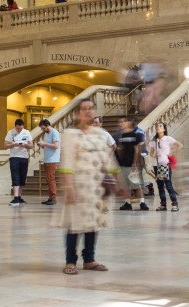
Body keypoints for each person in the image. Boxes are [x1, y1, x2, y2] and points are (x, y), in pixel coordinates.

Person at [54, 99, 116, 275]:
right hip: (77, 185)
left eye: (91, 109)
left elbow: (106, 158)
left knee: (93, 223)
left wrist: (114, 179)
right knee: (74, 225)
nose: (88, 112)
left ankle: (89, 259)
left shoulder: (100, 134)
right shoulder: (70, 134)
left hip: (95, 187)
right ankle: (70, 261)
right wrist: (69, 186)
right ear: (77, 113)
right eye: (84, 109)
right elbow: (66, 161)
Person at [115, 117, 148, 211]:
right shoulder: (121, 135)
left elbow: (136, 149)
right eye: (120, 122)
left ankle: (142, 202)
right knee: (126, 185)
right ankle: (127, 203)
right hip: (123, 163)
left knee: (136, 184)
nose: (121, 124)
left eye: (123, 122)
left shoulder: (134, 134)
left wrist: (135, 162)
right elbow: (120, 149)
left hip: (132, 163)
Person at [149, 122, 182, 211]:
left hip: (165, 164)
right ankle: (163, 205)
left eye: (160, 126)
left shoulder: (167, 138)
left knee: (168, 185)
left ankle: (175, 204)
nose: (158, 127)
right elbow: (151, 153)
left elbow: (180, 145)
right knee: (160, 185)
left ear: (164, 129)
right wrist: (154, 153)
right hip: (156, 164)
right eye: (157, 126)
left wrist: (172, 154)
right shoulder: (153, 140)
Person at [5, 119, 33, 206]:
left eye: (20, 128)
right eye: (17, 128)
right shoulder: (10, 132)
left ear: (23, 126)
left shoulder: (27, 132)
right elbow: (5, 145)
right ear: (15, 126)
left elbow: (31, 145)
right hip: (14, 157)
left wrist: (25, 145)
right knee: (15, 176)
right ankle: (15, 198)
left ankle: (19, 197)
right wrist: (14, 144)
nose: (19, 130)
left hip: (24, 157)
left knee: (22, 177)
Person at [38, 118, 61, 206]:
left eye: (43, 128)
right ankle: (51, 197)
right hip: (47, 159)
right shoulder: (46, 134)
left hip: (53, 159)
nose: (43, 130)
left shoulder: (54, 132)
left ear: (48, 125)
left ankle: (53, 198)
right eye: (42, 129)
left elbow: (56, 146)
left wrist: (44, 144)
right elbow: (48, 146)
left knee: (51, 179)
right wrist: (42, 145)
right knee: (48, 179)